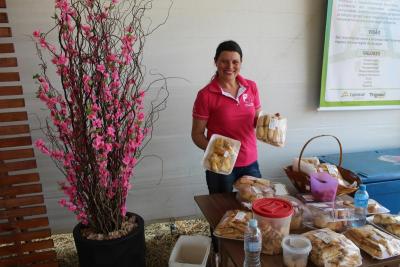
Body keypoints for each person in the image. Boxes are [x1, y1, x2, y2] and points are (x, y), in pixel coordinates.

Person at [192, 40, 262, 194]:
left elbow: (257, 120)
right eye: (224, 61)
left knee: (253, 208)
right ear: (216, 62)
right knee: (221, 211)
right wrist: (217, 151)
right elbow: (197, 135)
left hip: (250, 162)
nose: (230, 67)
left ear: (241, 63)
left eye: (235, 62)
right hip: (221, 166)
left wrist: (271, 122)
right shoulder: (205, 95)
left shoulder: (251, 87)